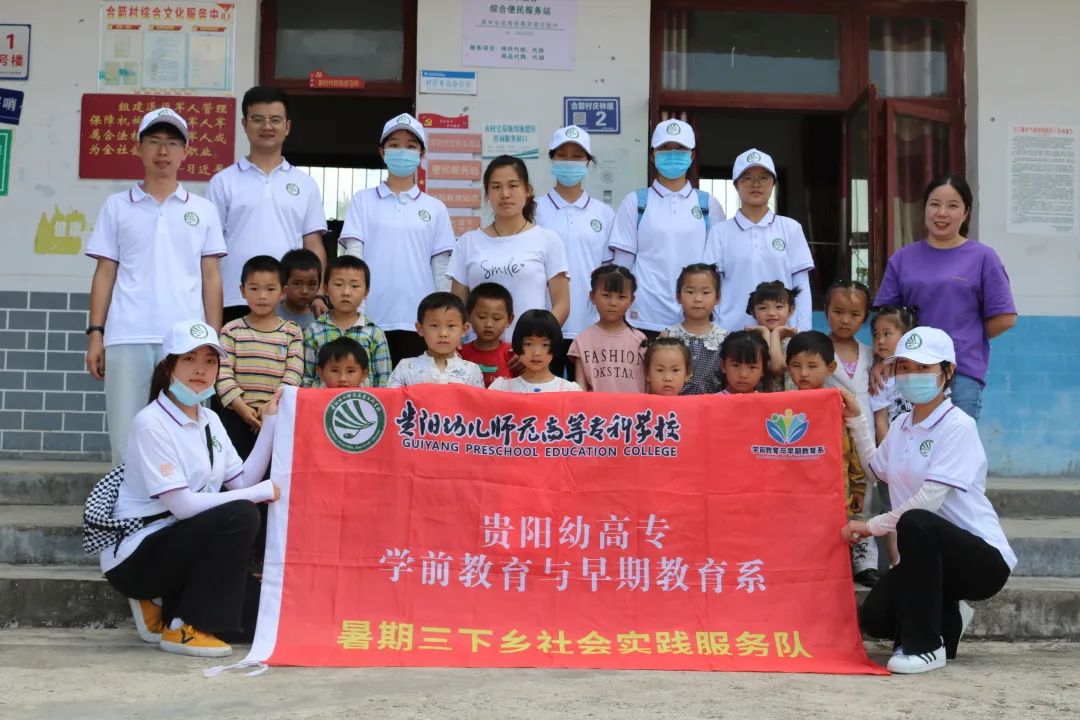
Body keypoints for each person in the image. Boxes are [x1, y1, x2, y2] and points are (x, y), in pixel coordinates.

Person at [842, 326, 1016, 674]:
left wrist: (871, 527)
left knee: (916, 520)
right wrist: (857, 419)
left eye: (923, 368)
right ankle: (949, 618)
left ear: (947, 372)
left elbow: (927, 502)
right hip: (929, 560)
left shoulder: (957, 426)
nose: (911, 375)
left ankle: (924, 647)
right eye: (904, 367)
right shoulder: (902, 424)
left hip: (981, 559)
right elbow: (876, 470)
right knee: (876, 617)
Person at [102, 320, 279, 658]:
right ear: (168, 366)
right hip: (140, 556)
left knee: (260, 620)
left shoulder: (210, 420)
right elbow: (182, 506)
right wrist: (258, 494)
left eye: (210, 361)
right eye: (189, 359)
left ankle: (168, 606)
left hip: (183, 544)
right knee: (240, 514)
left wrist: (270, 423)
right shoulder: (151, 423)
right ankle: (184, 627)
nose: (201, 369)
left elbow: (243, 481)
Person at [85, 108, 225, 466]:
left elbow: (211, 276)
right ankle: (127, 501)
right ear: (139, 148)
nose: (163, 151)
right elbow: (105, 273)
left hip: (186, 341)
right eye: (154, 142)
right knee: (127, 434)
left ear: (185, 152)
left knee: (186, 431)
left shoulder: (203, 210)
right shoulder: (116, 206)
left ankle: (184, 500)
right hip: (127, 334)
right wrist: (96, 334)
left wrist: (212, 340)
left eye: (172, 143)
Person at [872, 175, 1017, 421]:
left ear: (966, 213)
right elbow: (884, 317)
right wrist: (882, 360)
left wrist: (967, 336)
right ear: (924, 208)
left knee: (954, 442)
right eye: (934, 204)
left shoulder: (983, 257)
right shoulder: (903, 258)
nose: (942, 213)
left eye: (952, 206)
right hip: (910, 369)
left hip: (960, 370)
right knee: (911, 440)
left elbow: (1005, 317)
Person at [339, 113, 456, 365]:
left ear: (422, 155)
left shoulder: (435, 207)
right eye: (394, 145)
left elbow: (442, 271)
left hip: (420, 324)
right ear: (382, 152)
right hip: (371, 321)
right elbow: (353, 261)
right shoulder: (363, 200)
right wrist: (356, 313)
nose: (402, 151)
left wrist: (442, 321)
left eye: (411, 146)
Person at [208, 86, 327, 325]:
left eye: (275, 120)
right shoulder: (223, 181)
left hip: (288, 301)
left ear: (287, 126)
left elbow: (313, 243)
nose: (267, 126)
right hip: (235, 298)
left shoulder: (305, 184)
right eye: (258, 119)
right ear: (244, 124)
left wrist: (319, 293)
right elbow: (210, 248)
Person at [608, 119, 725, 338]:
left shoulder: (709, 205)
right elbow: (621, 267)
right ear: (653, 155)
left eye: (680, 148)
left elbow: (717, 268)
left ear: (692, 156)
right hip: (643, 317)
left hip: (694, 319)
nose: (672, 154)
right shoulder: (635, 202)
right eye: (665, 148)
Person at [787, 330, 876, 587]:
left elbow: (852, 449)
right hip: (796, 494)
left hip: (835, 491)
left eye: (812, 366)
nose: (803, 373)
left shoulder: (839, 404)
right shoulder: (783, 405)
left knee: (834, 541)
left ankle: (834, 587)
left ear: (830, 368)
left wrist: (858, 486)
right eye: (796, 365)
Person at [449, 156, 570, 342]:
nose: (505, 194)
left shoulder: (548, 240)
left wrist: (534, 344)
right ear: (487, 193)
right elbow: (457, 307)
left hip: (529, 354)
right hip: (478, 353)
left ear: (527, 190)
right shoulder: (468, 242)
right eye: (496, 187)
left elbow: (562, 305)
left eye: (513, 185)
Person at [534, 125, 615, 375]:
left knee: (588, 394)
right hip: (545, 322)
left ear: (588, 162)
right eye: (562, 155)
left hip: (591, 323)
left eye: (577, 156)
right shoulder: (533, 210)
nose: (569, 161)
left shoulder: (604, 213)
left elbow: (608, 271)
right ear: (551, 159)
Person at [710, 148, 814, 333]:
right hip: (732, 333)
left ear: (773, 183)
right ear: (736, 185)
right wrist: (717, 331)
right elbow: (712, 286)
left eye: (764, 178)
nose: (756, 184)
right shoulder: (720, 232)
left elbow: (801, 286)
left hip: (781, 335)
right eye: (747, 178)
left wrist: (803, 332)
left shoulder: (791, 228)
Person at [215, 255, 303, 458]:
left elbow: (294, 374)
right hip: (236, 415)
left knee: (274, 469)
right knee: (235, 467)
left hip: (277, 415)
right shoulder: (231, 330)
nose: (262, 296)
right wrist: (241, 407)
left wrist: (271, 406)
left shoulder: (292, 332)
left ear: (283, 292)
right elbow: (223, 372)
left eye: (270, 289)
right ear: (242, 290)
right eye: (254, 288)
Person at [302, 255, 391, 388]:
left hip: (363, 400)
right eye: (338, 284)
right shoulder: (314, 331)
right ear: (325, 288)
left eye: (355, 286)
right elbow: (307, 378)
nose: (346, 292)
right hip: (322, 400)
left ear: (366, 292)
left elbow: (384, 380)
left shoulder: (374, 334)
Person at [568, 266, 647, 393]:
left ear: (632, 300)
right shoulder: (582, 340)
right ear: (592, 296)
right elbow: (580, 388)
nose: (613, 303)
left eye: (621, 297)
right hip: (595, 407)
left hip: (635, 406)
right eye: (606, 295)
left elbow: (649, 385)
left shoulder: (641, 340)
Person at [387, 292, 484, 388]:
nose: (443, 333)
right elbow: (391, 397)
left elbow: (479, 398)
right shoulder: (405, 368)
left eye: (451, 326)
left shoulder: (472, 371)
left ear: (464, 329)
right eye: (434, 325)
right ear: (420, 329)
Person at [660, 264, 728, 395]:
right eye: (690, 292)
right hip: (676, 405)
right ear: (678, 296)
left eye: (706, 292)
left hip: (713, 405)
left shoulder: (724, 339)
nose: (698, 299)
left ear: (717, 298)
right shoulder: (668, 335)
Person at [489, 310, 581, 393]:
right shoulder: (500, 389)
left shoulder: (570, 391)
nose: (536, 353)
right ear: (518, 343)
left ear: (555, 345)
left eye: (545, 345)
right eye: (529, 344)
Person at [823, 281, 874, 428]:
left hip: (865, 429)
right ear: (826, 310)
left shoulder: (870, 354)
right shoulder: (815, 351)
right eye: (838, 312)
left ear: (865, 317)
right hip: (830, 428)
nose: (845, 320)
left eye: (855, 314)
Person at [869, 305, 920, 443]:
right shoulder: (881, 378)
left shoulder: (924, 370)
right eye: (876, 335)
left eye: (886, 334)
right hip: (897, 444)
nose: (880, 341)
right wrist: (887, 452)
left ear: (906, 336)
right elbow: (881, 421)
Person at [745, 281, 800, 392]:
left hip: (788, 401)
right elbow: (767, 367)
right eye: (763, 308)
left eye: (779, 307)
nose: (771, 313)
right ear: (753, 312)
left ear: (791, 310)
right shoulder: (747, 341)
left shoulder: (797, 342)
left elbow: (778, 368)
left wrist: (775, 334)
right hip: (756, 399)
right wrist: (766, 334)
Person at [460, 282, 516, 388]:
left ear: (509, 320)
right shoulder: (459, 355)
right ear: (468, 316)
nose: (489, 324)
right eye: (481, 317)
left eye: (497, 318)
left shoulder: (513, 356)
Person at [278, 248, 322, 330]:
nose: (305, 291)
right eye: (297, 284)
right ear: (283, 283)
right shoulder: (270, 311)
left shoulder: (319, 319)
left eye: (311, 284)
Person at [717, 330, 769, 395]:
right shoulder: (712, 400)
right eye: (736, 365)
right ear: (723, 366)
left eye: (752, 367)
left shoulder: (767, 401)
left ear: (763, 369)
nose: (743, 375)